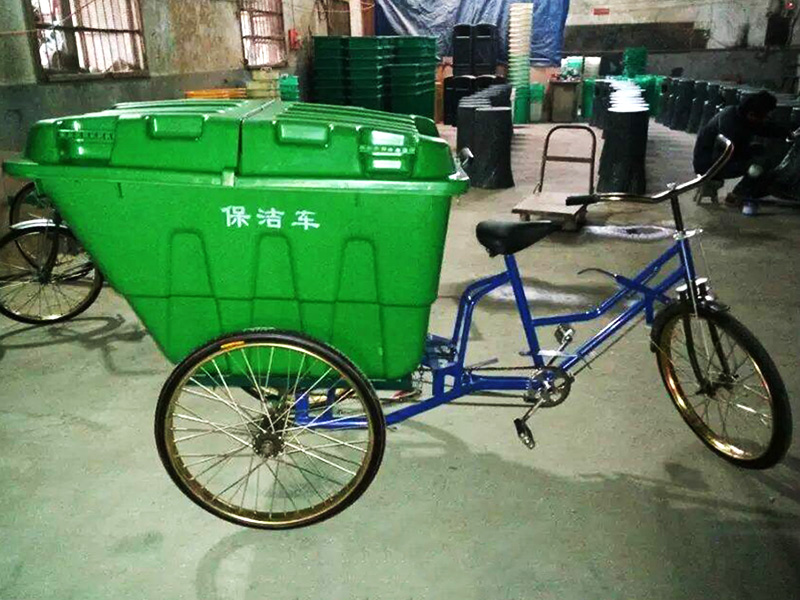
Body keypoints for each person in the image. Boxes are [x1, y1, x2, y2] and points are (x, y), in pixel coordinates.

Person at [693, 90, 794, 206]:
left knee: (759, 151)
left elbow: (765, 128)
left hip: (716, 158)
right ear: (751, 114)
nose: (764, 119)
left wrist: (786, 133)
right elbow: (731, 152)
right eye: (764, 116)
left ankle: (747, 191)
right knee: (760, 165)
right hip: (711, 165)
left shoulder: (737, 114)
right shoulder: (732, 124)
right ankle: (736, 195)